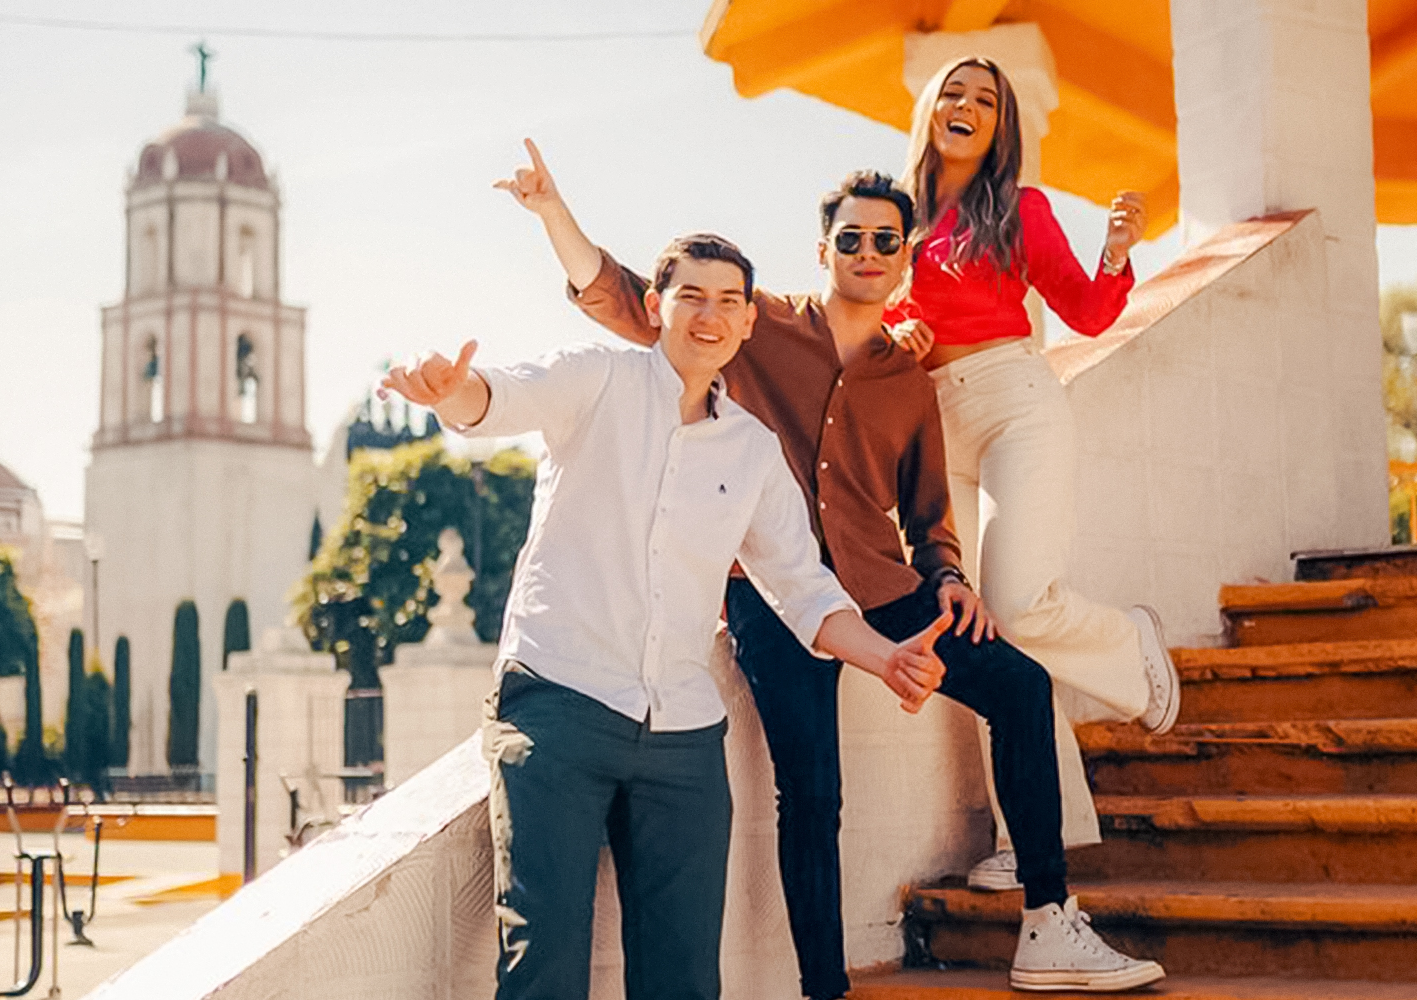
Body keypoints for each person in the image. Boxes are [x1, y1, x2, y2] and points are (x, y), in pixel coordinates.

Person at [497, 141, 1163, 994]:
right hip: (771, 601)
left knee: (1022, 687)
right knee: (812, 795)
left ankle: (1047, 917)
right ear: (823, 252)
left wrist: (951, 577)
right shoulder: (755, 323)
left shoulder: (908, 378)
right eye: (851, 240)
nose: (869, 255)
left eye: (887, 242)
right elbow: (629, 299)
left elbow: (929, 516)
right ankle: (826, 988)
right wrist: (556, 213)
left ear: (906, 258)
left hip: (885, 590)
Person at [379, 233, 951, 1000]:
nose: (709, 316)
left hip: (683, 737)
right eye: (690, 296)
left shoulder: (753, 451)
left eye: (728, 301)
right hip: (558, 707)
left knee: (683, 980)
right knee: (543, 959)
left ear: (750, 322)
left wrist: (885, 658)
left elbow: (803, 588)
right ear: (656, 306)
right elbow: (497, 397)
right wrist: (451, 392)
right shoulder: (597, 378)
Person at [888, 54, 1181, 909]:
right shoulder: (893, 222)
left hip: (1014, 400)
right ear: (929, 109)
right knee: (979, 633)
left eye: (987, 100)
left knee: (1013, 603)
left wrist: (1116, 253)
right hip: (932, 423)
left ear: (1001, 127)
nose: (968, 106)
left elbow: (1087, 313)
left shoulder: (1017, 209)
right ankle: (1029, 836)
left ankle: (1129, 646)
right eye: (955, 92)